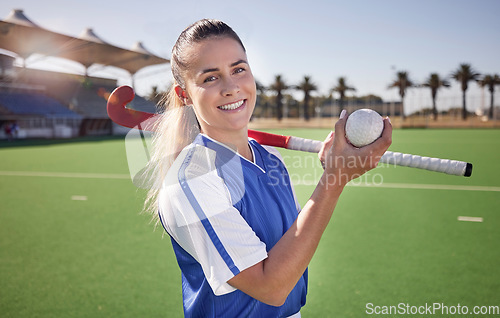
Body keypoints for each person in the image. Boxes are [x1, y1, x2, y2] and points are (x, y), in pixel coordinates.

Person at [143, 19, 392, 317]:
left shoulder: (269, 157)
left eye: (238, 69)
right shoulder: (191, 181)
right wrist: (335, 179)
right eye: (210, 78)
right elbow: (270, 287)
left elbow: (293, 243)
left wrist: (332, 168)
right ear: (184, 94)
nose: (231, 87)